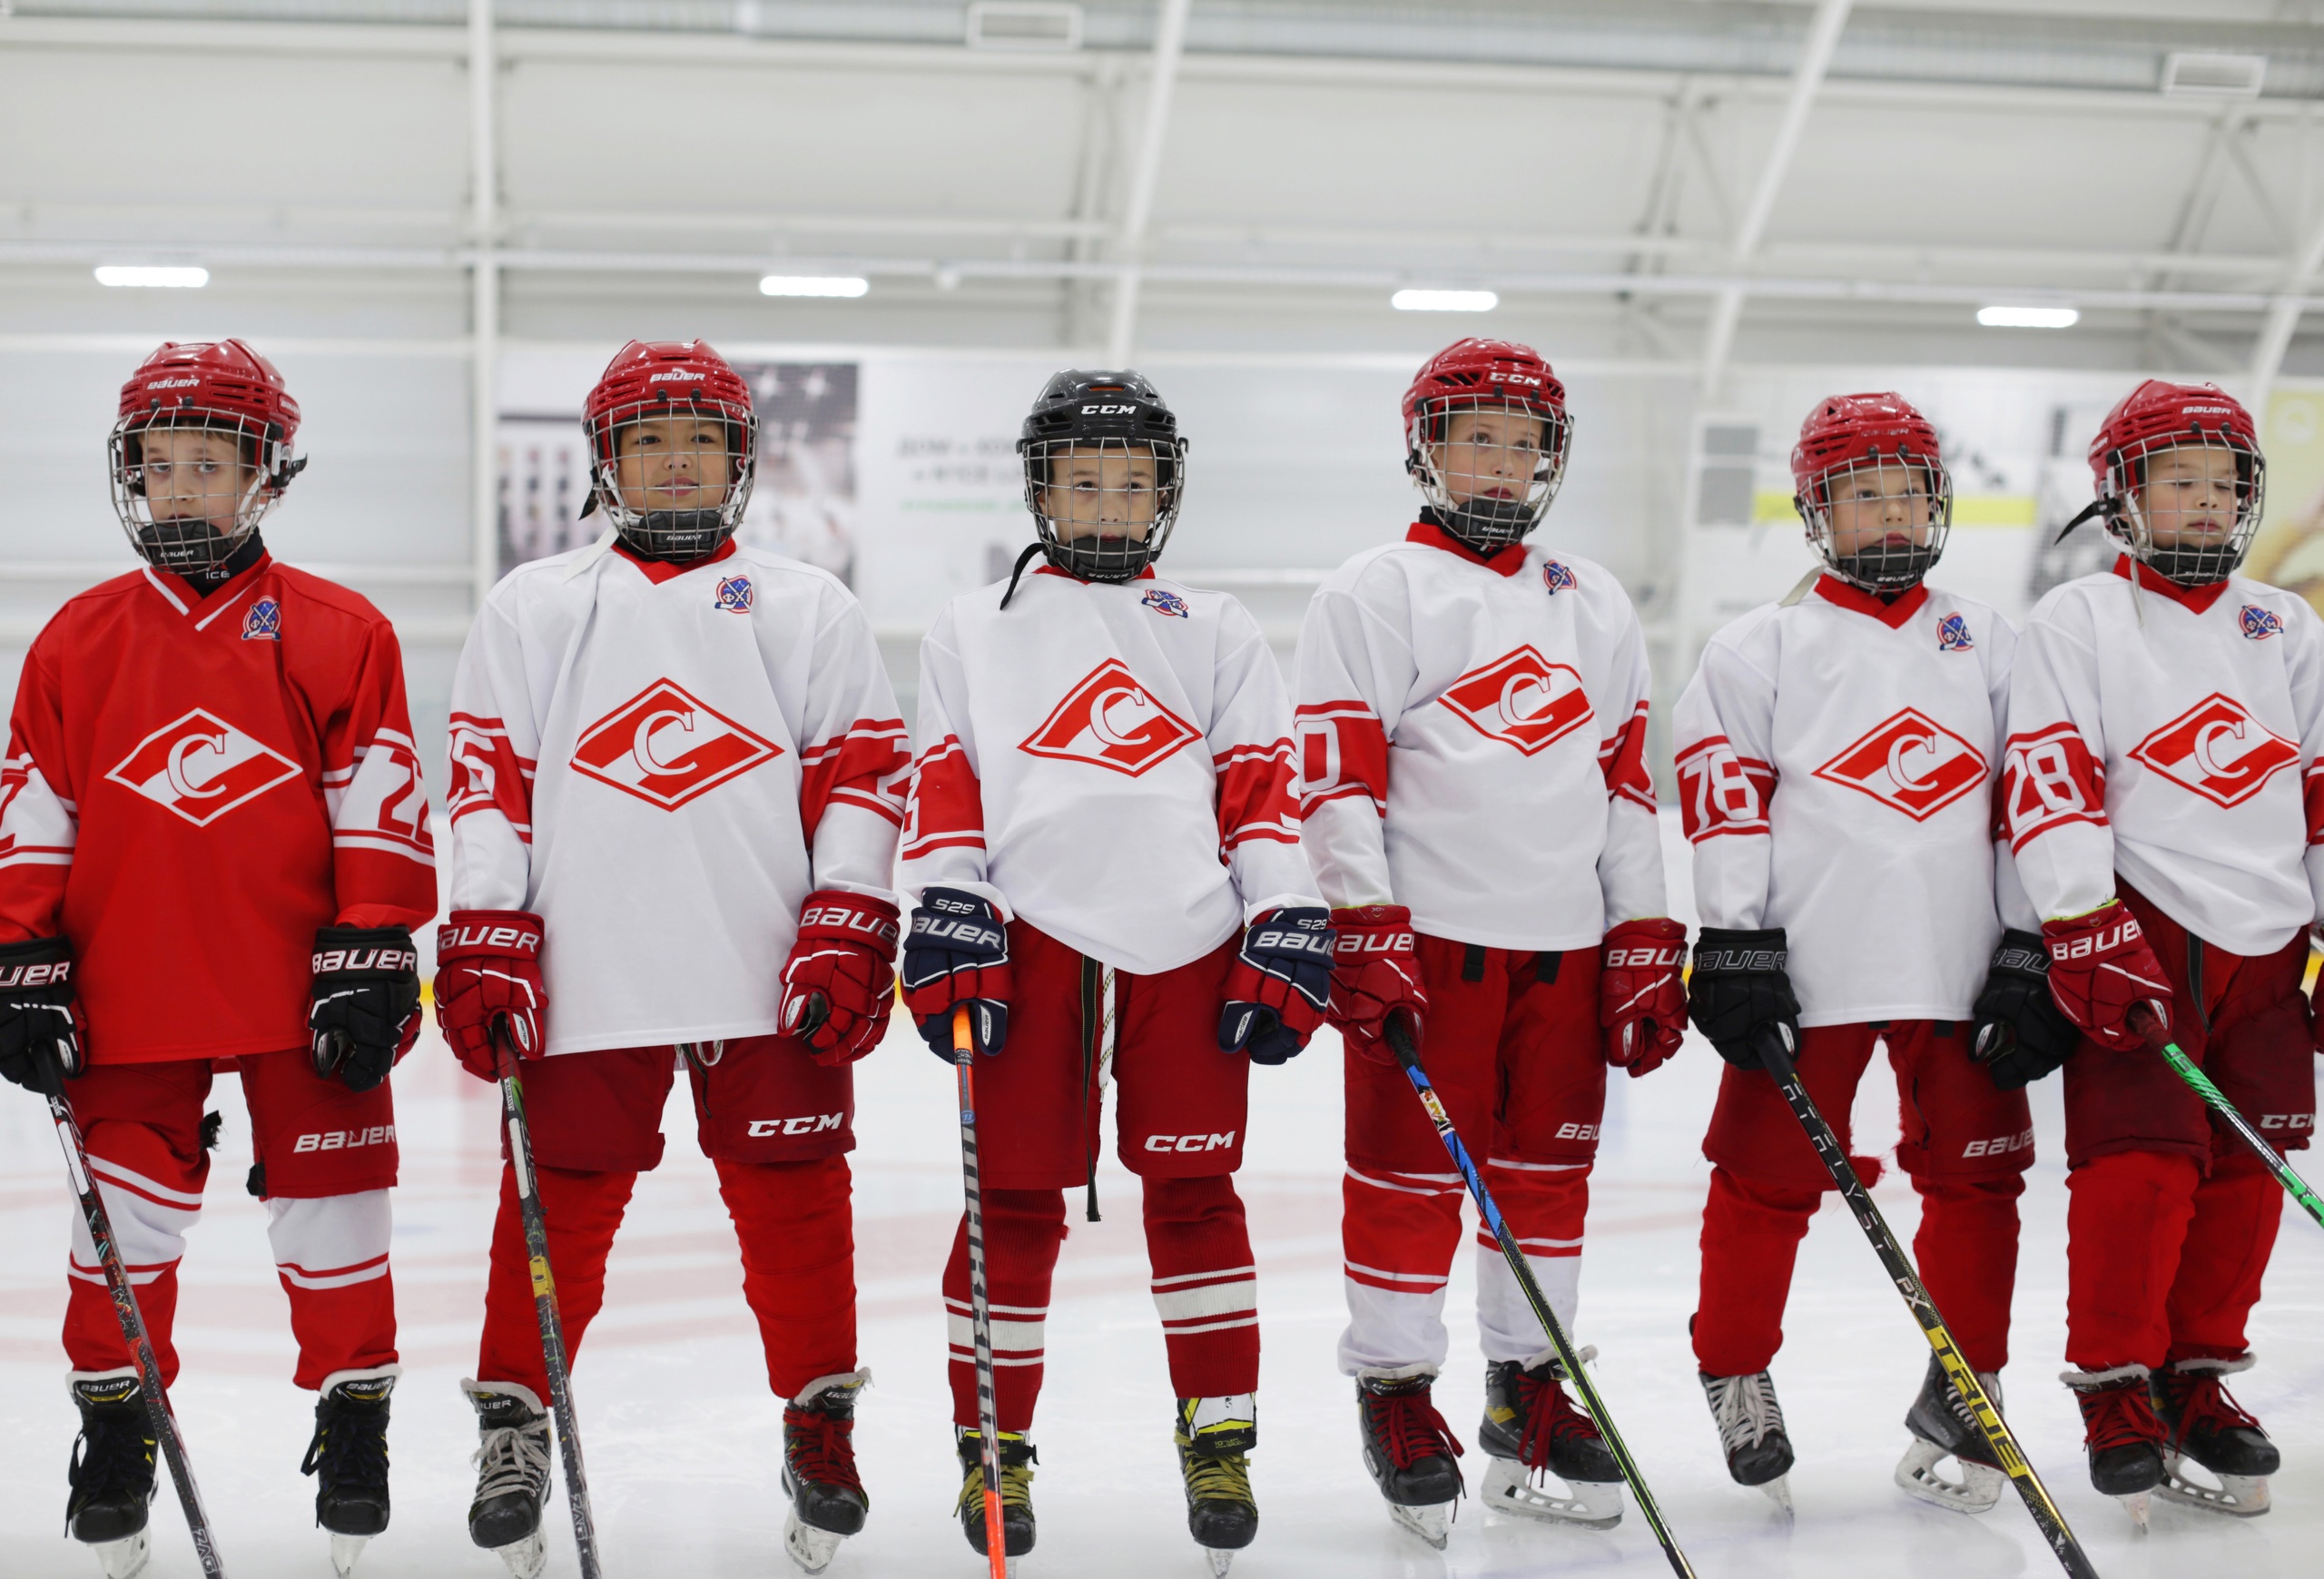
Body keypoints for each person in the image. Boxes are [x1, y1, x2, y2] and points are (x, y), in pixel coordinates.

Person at [434, 340, 909, 1577]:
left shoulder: (808, 603)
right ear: (608, 462)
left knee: (797, 1205)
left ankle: (820, 1418)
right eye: (649, 440)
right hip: (591, 969)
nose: (678, 458)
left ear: (742, 458)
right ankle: (516, 1421)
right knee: (556, 1207)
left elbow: (862, 771)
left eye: (701, 437)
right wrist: (488, 925)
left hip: (769, 972)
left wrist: (849, 910)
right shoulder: (536, 603)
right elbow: (485, 778)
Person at [0, 340, 436, 1577]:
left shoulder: (342, 629)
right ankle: (117, 1425)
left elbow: (379, 794)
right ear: (130, 472)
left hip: (303, 983)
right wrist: (21, 954)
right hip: (126, 981)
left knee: (337, 1205)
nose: (182, 486)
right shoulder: (77, 639)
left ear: (265, 476)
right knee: (118, 1226)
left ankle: (354, 1413)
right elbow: (36, 809)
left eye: (210, 461)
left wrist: (373, 939)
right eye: (161, 462)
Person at [899, 369, 1330, 1572]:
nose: (1107, 501)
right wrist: (948, 906)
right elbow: (947, 777)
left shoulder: (1216, 624)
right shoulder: (971, 623)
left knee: (1198, 1195)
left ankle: (1219, 1431)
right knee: (1012, 1203)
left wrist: (1285, 916)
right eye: (1083, 480)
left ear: (1167, 493)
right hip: (1029, 943)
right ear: (1041, 488)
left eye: (1132, 481)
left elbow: (1261, 786)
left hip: (1188, 944)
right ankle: (995, 1447)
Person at [1293, 338, 1686, 1544]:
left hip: (1562, 954)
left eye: (1525, 443)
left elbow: (1626, 786)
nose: (1503, 462)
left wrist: (1643, 934)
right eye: (1478, 437)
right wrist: (1363, 920)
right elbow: (1336, 779)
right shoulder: (1373, 588)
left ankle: (1531, 1381)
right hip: (1431, 948)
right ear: (1425, 446)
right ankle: (1398, 1389)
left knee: (1547, 1182)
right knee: (1409, 1185)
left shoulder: (1595, 597)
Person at [1674, 391, 2060, 1515]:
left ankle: (1966, 1380)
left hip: (1961, 967)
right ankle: (1735, 1365)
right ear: (1815, 511)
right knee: (1762, 1183)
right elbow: (1722, 800)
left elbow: (2029, 805)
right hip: (1808, 972)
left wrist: (2029, 942)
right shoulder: (1760, 645)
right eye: (1862, 495)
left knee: (1980, 1180)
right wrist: (1736, 936)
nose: (1890, 514)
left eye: (1909, 491)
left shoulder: (1992, 639)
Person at [2003, 380, 2315, 1521]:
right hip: (2146, 925)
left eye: (2224, 481)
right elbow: (2049, 776)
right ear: (2120, 495)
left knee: (2253, 1164)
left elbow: (2319, 788)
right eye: (2176, 478)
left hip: (2270, 937)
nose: (2204, 501)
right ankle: (2118, 1382)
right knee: (2140, 1165)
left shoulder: (2283, 623)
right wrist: (2080, 920)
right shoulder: (2080, 619)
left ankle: (2198, 1372)